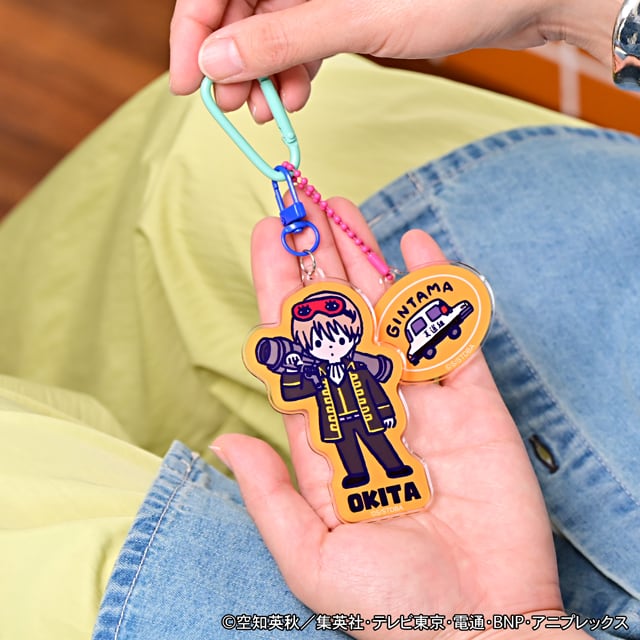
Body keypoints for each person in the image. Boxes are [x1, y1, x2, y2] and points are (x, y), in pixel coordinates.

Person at [1, 2, 639, 638]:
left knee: (39, 518)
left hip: (447, 535)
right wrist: (586, 11)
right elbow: (311, 369)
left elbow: (367, 366)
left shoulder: (354, 360)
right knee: (198, 148)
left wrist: (490, 623)